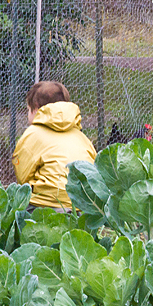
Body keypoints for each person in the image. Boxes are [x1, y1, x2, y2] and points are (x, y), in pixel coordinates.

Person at [12, 81, 96, 210]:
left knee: (16, 207)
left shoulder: (33, 134)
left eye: (28, 110)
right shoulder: (81, 136)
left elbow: (23, 177)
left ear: (35, 108)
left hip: (47, 206)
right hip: (85, 206)